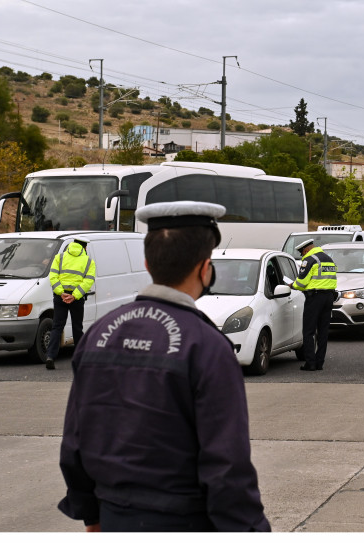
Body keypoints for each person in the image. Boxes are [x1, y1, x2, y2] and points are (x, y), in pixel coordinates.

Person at [57, 201, 270, 532]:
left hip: (114, 518)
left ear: (146, 263)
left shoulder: (98, 334)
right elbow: (227, 464)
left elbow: (75, 439)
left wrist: (91, 514)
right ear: (205, 269)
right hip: (185, 522)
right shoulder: (208, 347)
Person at [46, 236, 95, 370]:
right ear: (84, 247)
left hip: (60, 297)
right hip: (76, 299)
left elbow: (53, 276)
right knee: (77, 327)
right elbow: (88, 281)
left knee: (57, 327)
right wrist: (75, 295)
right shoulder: (88, 261)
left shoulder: (59, 257)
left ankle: (50, 356)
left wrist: (61, 292)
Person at [291, 239, 337, 371]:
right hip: (329, 297)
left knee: (309, 331)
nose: (303, 256)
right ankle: (319, 363)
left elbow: (301, 283)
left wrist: (291, 285)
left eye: (302, 253)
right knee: (323, 332)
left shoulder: (310, 260)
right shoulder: (329, 259)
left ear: (306, 250)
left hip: (314, 298)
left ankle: (310, 363)